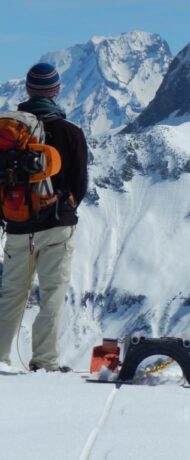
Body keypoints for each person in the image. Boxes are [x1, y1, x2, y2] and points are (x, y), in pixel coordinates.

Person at [0, 63, 88, 373]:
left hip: (17, 226)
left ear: (27, 90)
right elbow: (80, 185)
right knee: (52, 294)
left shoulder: (8, 132)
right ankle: (45, 361)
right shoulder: (70, 133)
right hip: (56, 226)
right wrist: (64, 207)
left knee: (11, 293)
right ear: (57, 91)